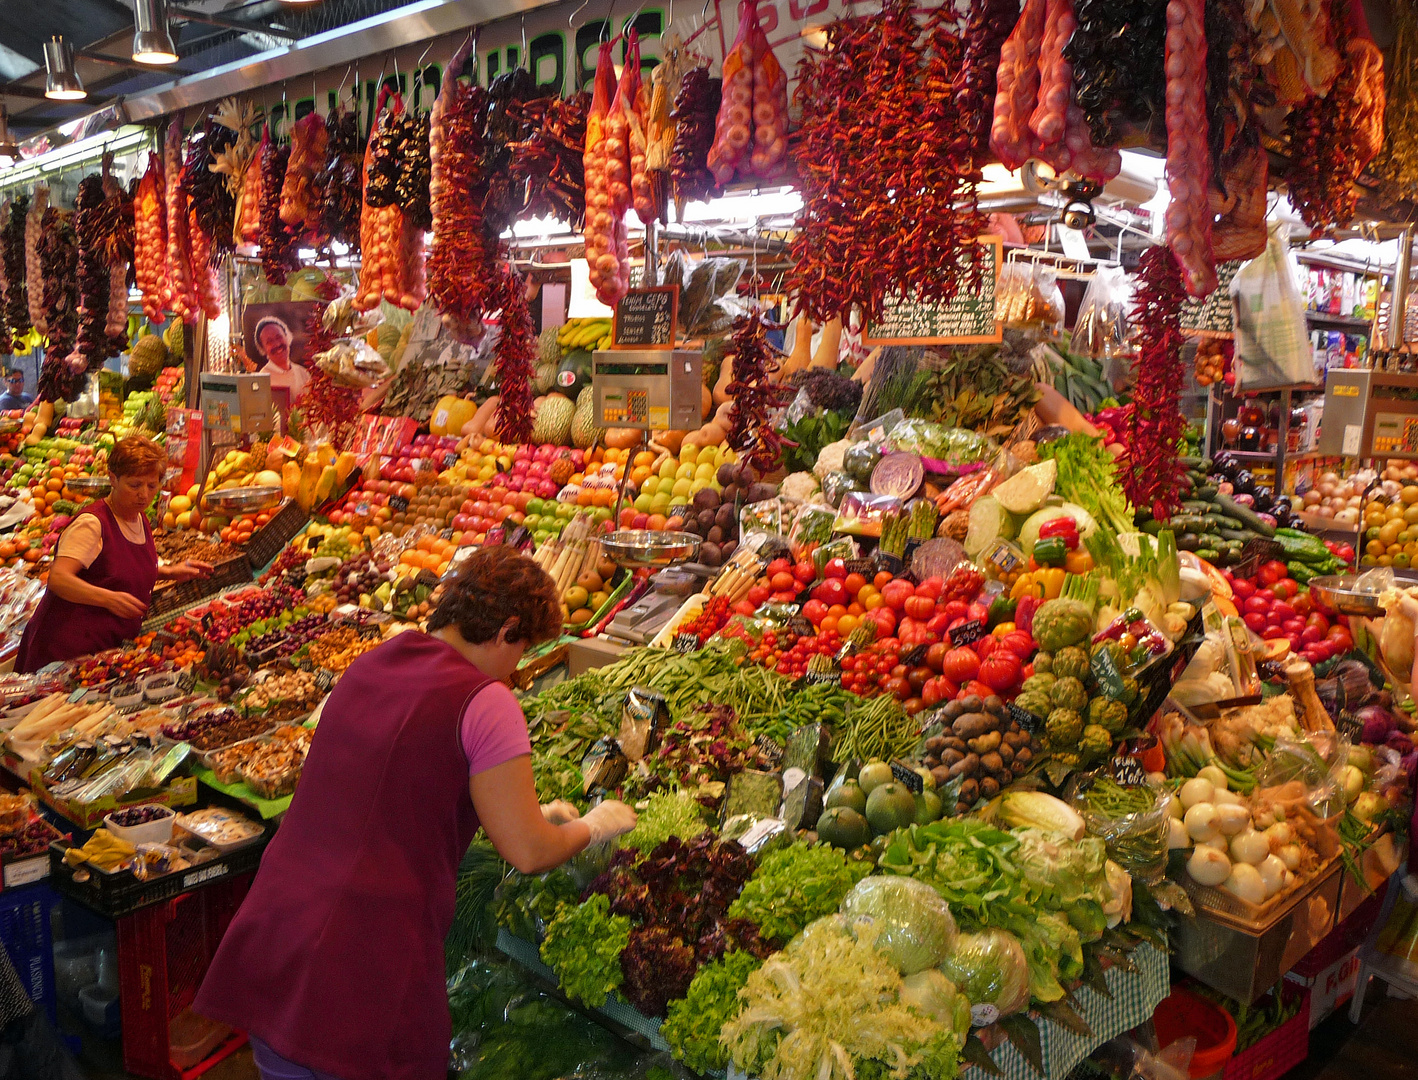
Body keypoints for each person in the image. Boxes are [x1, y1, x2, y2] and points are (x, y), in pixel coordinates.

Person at [194, 546, 637, 1080]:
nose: (517, 671)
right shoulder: (487, 700)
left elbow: (387, 790)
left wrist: (522, 809)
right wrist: (594, 827)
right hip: (359, 968)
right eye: (521, 651)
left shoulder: (376, 660)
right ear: (506, 629)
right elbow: (529, 851)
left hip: (277, 941)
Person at [16, 436, 210, 672]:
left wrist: (170, 572)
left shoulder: (138, 517)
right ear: (113, 479)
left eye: (151, 485)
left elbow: (117, 568)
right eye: (135, 485)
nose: (144, 495)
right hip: (64, 650)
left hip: (103, 650)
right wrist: (109, 598)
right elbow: (58, 579)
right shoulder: (92, 524)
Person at [253, 316, 312, 404]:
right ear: (263, 349)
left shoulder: (303, 372)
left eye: (279, 337)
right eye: (269, 341)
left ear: (287, 337)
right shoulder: (262, 381)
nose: (277, 344)